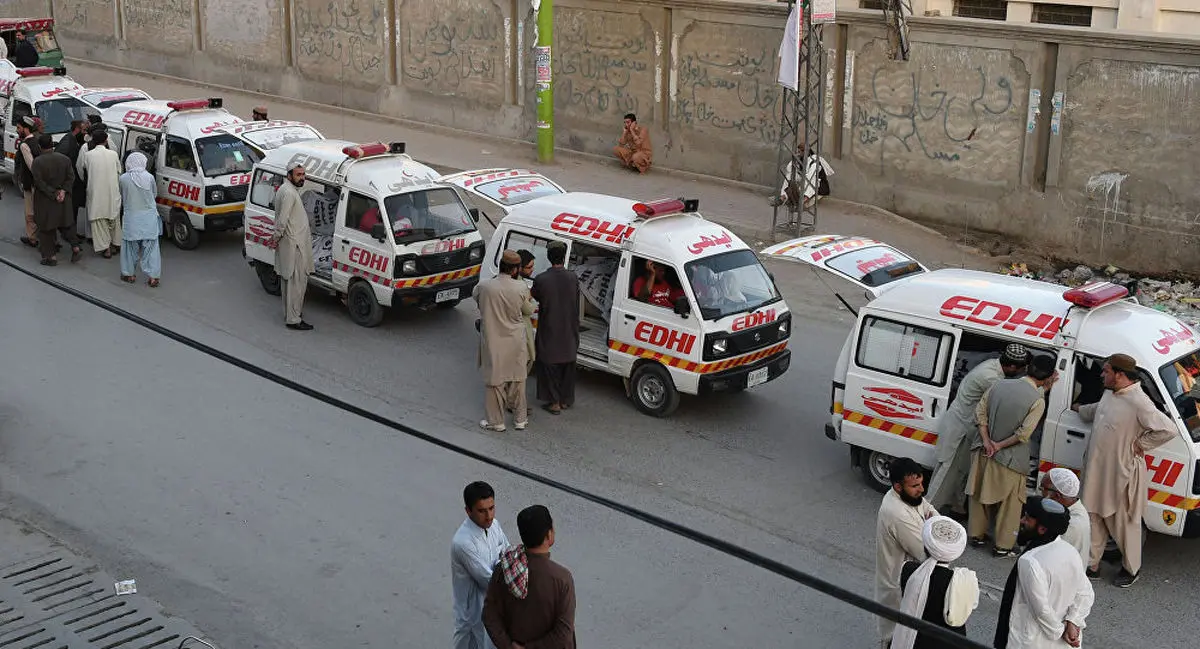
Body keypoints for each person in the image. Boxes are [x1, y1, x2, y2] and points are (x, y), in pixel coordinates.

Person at [1073, 353, 1175, 588]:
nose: (1102, 374)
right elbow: (1098, 410)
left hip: (1120, 473)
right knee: (1093, 516)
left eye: (1106, 371)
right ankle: (1092, 564)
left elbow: (1168, 430)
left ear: (1119, 375)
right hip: (1097, 470)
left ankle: (1131, 568)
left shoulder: (1139, 402)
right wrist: (1077, 408)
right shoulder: (1111, 394)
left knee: (1123, 523)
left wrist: (1140, 445)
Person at [967, 355, 1056, 557]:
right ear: (1048, 377)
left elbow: (979, 414)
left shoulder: (999, 385)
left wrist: (988, 441)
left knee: (979, 494)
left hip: (983, 450)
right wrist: (998, 445)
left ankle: (977, 536)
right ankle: (1003, 546)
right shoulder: (1038, 401)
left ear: (1028, 368)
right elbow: (1023, 434)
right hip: (1011, 459)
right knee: (1010, 504)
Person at [928, 344, 1030, 516]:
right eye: (1022, 369)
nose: (1023, 372)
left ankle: (957, 507)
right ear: (1012, 366)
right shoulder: (990, 377)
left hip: (967, 428)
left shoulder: (993, 366)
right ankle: (926, 511)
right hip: (960, 430)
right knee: (947, 473)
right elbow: (1013, 396)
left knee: (962, 471)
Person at [995, 498, 1094, 649]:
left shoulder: (1030, 561)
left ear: (1042, 529)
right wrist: (1073, 622)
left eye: (1027, 519)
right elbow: (1086, 593)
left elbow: (1041, 610)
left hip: (1031, 641)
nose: (1022, 521)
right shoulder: (1070, 551)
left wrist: (1061, 632)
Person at [483, 505, 576, 649]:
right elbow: (563, 634)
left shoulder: (505, 568)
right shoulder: (562, 579)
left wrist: (508, 646)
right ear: (549, 535)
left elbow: (489, 615)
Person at [876, 457, 938, 648]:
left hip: (910, 578)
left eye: (921, 483)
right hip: (899, 586)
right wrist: (932, 529)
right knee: (897, 637)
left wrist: (931, 523)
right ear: (897, 487)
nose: (921, 489)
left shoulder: (911, 496)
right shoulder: (897, 514)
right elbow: (928, 552)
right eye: (915, 486)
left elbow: (931, 511)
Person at [892, 516, 979, 649]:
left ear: (926, 546)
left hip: (914, 641)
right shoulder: (966, 580)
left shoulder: (908, 570)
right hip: (951, 643)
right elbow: (971, 605)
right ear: (956, 553)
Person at [473, 250, 533, 432]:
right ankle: (520, 420)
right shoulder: (521, 288)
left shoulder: (484, 286)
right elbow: (528, 309)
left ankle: (496, 422)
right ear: (515, 270)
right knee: (518, 379)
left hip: (493, 341)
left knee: (495, 382)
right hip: (515, 340)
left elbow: (477, 299)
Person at [451, 481, 510, 649]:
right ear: (468, 511)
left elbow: (508, 553)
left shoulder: (494, 526)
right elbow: (489, 580)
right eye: (482, 511)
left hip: (492, 611)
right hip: (472, 617)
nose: (489, 516)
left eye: (491, 508)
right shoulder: (463, 543)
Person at [531, 242, 580, 415]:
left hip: (550, 329)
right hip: (569, 329)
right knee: (567, 365)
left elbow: (533, 296)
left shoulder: (541, 279)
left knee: (549, 365)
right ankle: (566, 400)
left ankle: (554, 403)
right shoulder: (573, 278)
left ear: (549, 257)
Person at [272, 163, 315, 330]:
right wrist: (275, 237)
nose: (302, 177)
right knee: (296, 284)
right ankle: (294, 319)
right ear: (289, 175)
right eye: (298, 175)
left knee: (290, 283)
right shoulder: (289, 193)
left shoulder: (286, 189)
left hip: (292, 244)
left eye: (303, 174)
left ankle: (290, 313)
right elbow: (282, 221)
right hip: (294, 246)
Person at [30, 134, 83, 266]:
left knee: (46, 228)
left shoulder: (37, 162)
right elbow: (71, 177)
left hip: (45, 201)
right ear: (52, 144)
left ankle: (50, 257)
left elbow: (39, 183)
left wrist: (53, 194)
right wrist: (63, 191)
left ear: (39, 146)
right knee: (66, 224)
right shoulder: (65, 159)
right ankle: (75, 248)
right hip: (63, 199)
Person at [118, 152, 162, 287]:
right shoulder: (149, 177)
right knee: (151, 248)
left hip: (132, 218)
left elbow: (121, 194)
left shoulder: (123, 178)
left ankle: (129, 274)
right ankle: (153, 277)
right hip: (149, 218)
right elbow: (154, 194)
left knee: (129, 248)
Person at [77, 130, 124, 258]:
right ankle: (116, 244)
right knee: (114, 218)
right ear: (106, 140)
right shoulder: (113, 154)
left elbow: (81, 169)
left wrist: (88, 183)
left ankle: (106, 248)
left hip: (96, 192)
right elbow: (119, 171)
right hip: (112, 192)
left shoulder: (88, 155)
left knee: (99, 221)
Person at [1041, 468, 1090, 565]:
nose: (1041, 494)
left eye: (1042, 489)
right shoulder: (1074, 508)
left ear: (1057, 495)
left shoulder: (1070, 525)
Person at [56, 120, 90, 242]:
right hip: (69, 182)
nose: (85, 133)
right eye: (84, 130)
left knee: (73, 208)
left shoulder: (75, 140)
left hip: (73, 182)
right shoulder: (67, 141)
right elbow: (59, 159)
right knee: (70, 209)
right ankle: (69, 234)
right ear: (77, 129)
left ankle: (72, 232)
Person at [15, 116, 42, 248]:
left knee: (29, 212)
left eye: (19, 128)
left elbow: (32, 166)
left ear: (25, 129)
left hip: (31, 183)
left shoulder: (25, 145)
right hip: (40, 183)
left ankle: (33, 238)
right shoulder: (37, 140)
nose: (17, 130)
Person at [517, 250, 537, 376]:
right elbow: (528, 309)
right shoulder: (520, 286)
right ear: (519, 268)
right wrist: (532, 301)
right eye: (529, 267)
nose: (532, 270)